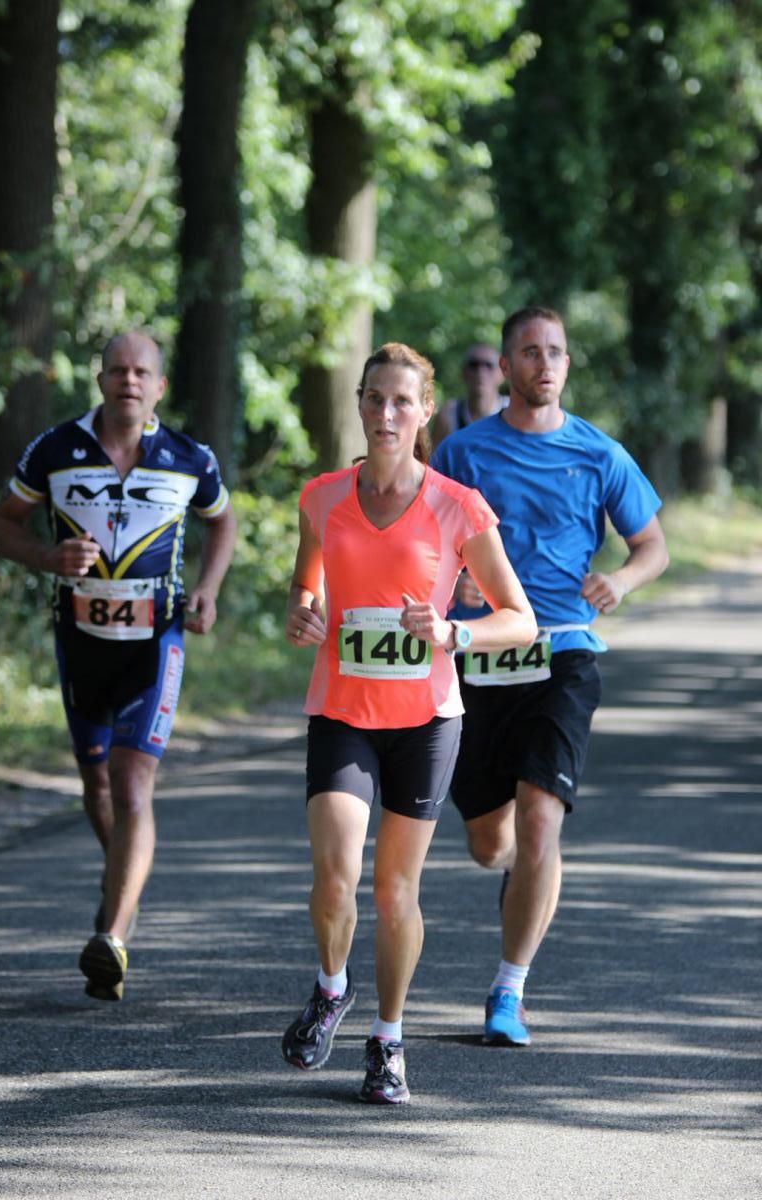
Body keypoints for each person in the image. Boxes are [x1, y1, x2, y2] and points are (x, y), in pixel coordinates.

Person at [280, 341, 537, 1105]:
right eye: (373, 399)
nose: (385, 413)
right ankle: (332, 987)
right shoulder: (322, 497)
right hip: (342, 710)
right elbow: (307, 582)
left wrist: (454, 634)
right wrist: (302, 610)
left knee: (395, 891)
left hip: (425, 719)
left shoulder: (459, 507)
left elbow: (519, 621)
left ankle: (388, 1040)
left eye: (401, 401)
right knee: (335, 877)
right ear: (358, 405)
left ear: (426, 412)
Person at [432, 307, 669, 1048]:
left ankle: (509, 990)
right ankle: (514, 869)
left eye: (556, 352)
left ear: (568, 365)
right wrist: (453, 594)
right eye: (529, 352)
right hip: (479, 656)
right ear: (505, 368)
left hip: (564, 649)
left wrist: (623, 582)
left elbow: (653, 543)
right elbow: (427, 542)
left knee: (541, 817)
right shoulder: (463, 452)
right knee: (488, 843)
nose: (544, 363)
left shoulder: (600, 454)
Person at [0, 331, 237, 1002]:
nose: (130, 380)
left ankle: (114, 935)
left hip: (157, 641)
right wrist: (48, 559)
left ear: (159, 386)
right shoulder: (55, 450)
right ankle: (122, 886)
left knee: (132, 787)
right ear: (100, 380)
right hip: (81, 639)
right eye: (118, 369)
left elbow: (224, 523)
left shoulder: (189, 459)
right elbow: (2, 523)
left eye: (143, 371)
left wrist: (208, 590)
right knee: (96, 787)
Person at [431, 342, 508, 447]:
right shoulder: (449, 415)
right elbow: (434, 461)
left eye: (489, 365)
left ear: (502, 373)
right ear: (464, 372)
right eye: (474, 365)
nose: (481, 372)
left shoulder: (515, 411)